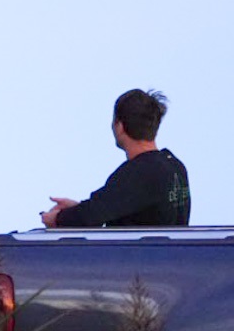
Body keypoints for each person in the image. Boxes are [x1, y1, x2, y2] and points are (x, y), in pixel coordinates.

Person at [42, 88, 190, 228]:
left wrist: (57, 219)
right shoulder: (175, 166)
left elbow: (91, 215)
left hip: (138, 255)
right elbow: (112, 205)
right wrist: (78, 209)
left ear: (119, 126)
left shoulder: (138, 174)